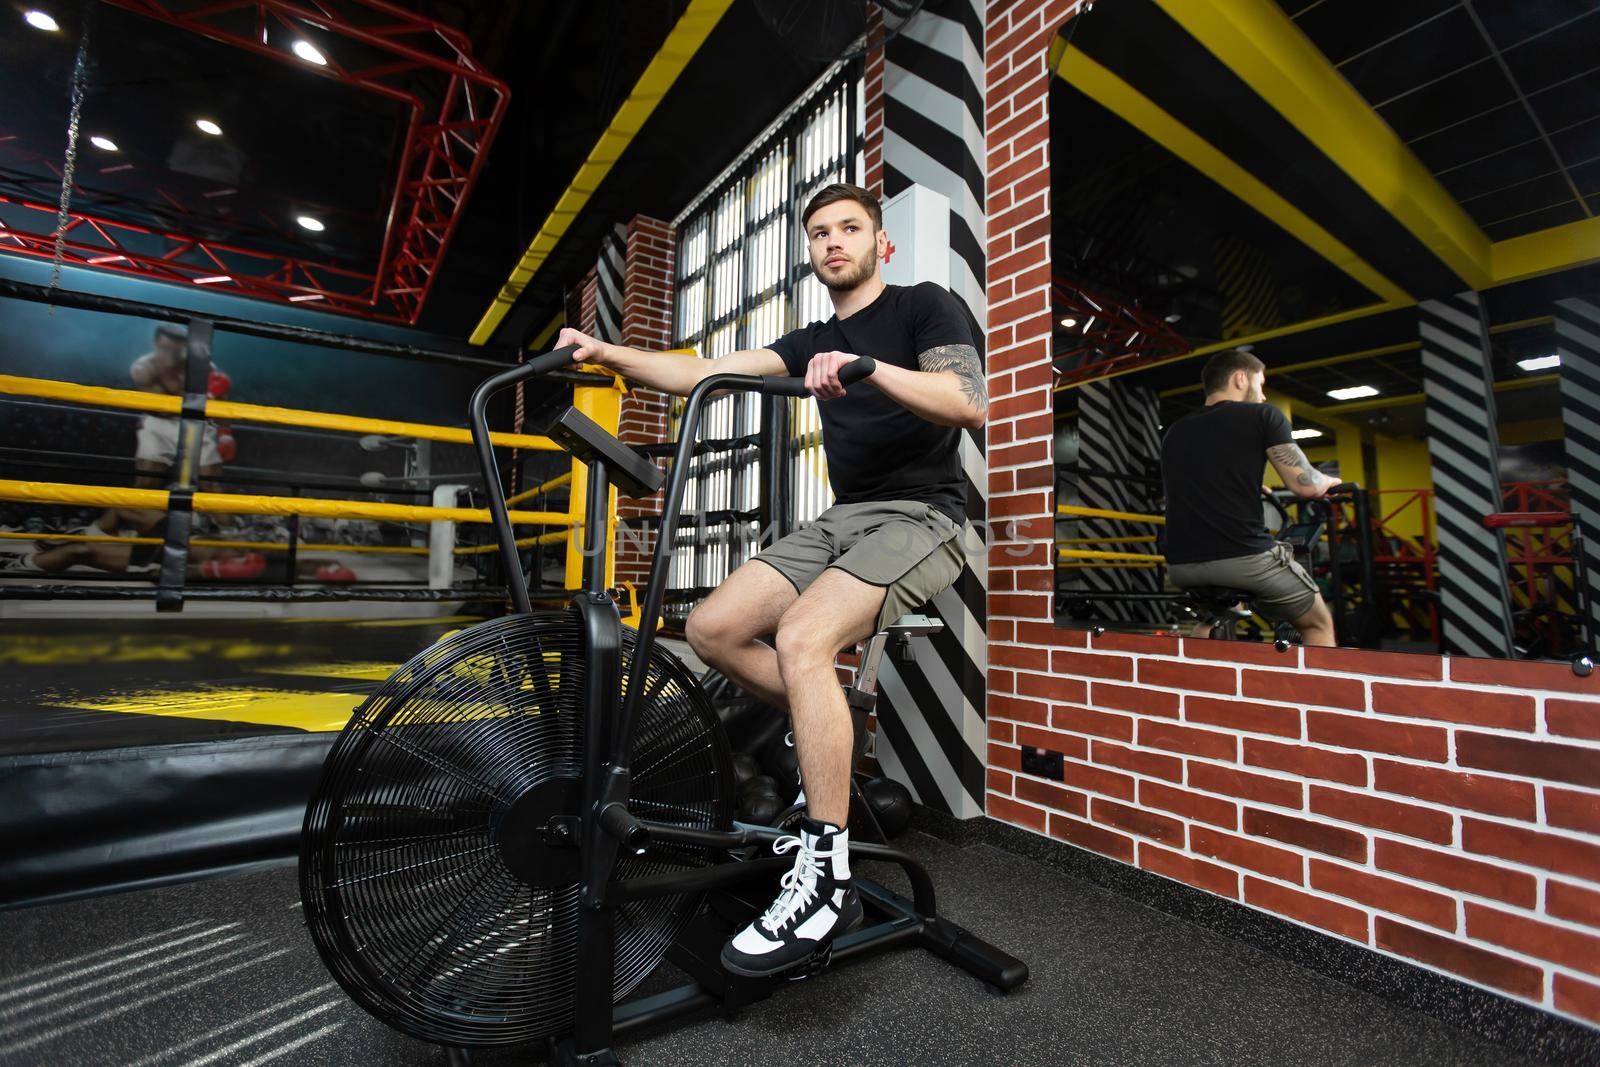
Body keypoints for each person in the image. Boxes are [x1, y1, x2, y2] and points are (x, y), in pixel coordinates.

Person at [555, 182, 985, 977]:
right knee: (713, 629)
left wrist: (868, 368)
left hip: (921, 516)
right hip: (843, 516)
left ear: (879, 244)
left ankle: (826, 875)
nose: (833, 242)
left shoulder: (925, 306)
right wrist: (612, 354)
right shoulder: (809, 335)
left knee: (801, 638)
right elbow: (706, 371)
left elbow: (965, 401)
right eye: (819, 232)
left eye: (850, 229)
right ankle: (828, 715)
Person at [1160, 348, 1339, 647]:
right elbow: (1305, 486)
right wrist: (1328, 480)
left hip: (1181, 565)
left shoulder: (1176, 431)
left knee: (1213, 618)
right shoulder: (1263, 415)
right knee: (1318, 624)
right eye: (1262, 384)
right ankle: (1321, 693)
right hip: (1243, 558)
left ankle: (1202, 678)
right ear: (1241, 378)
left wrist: (1247, 487)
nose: (1264, 396)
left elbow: (1201, 477)